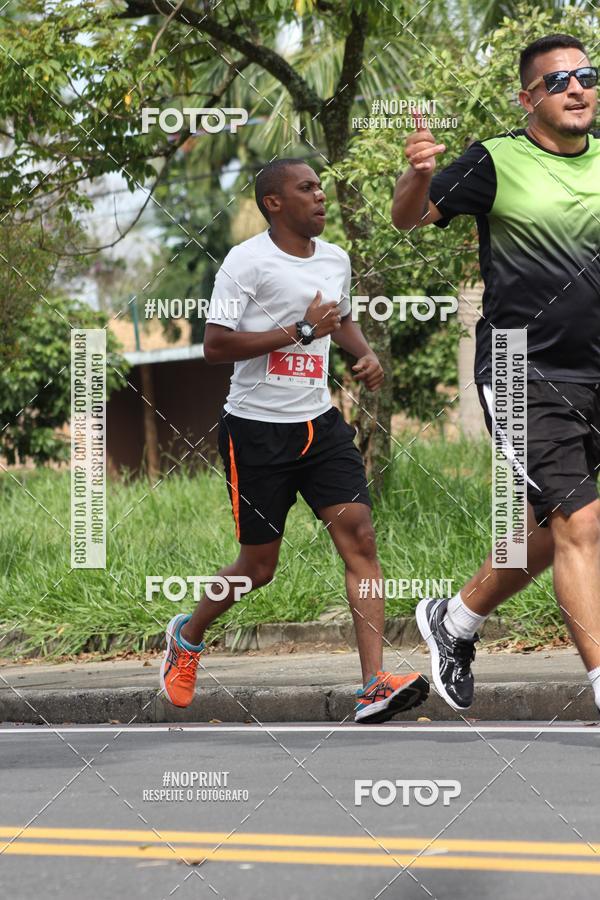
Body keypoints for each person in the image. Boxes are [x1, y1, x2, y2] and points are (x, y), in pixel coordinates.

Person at [160, 157, 429, 723]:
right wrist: (302, 331)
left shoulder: (335, 258)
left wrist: (363, 353)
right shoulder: (245, 261)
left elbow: (341, 318)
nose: (320, 196)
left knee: (360, 540)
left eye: (321, 188)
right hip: (256, 430)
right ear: (274, 203)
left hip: (319, 424)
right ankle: (187, 636)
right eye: (306, 189)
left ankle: (374, 684)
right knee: (259, 567)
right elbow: (215, 345)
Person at [391, 33, 600, 712]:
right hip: (521, 367)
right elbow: (409, 218)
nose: (576, 88)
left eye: (586, 75)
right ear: (528, 98)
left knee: (562, 527)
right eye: (557, 80)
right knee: (581, 524)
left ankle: (453, 621)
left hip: (595, 369)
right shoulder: (495, 160)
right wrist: (418, 174)